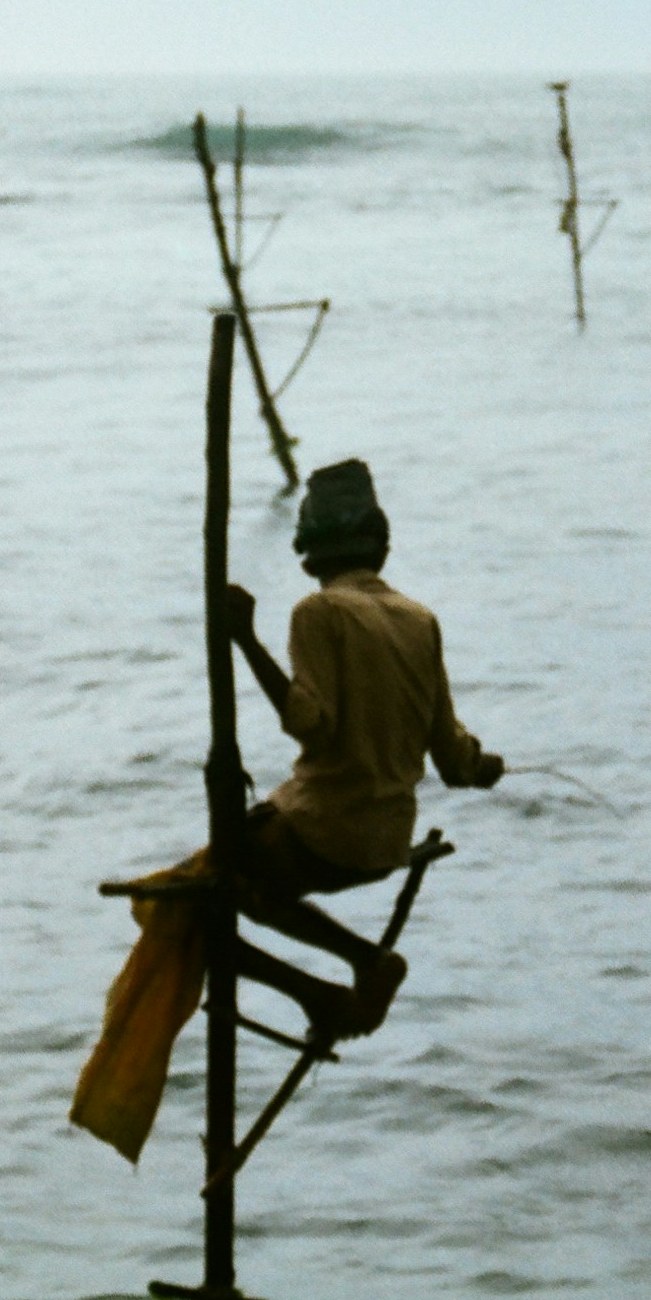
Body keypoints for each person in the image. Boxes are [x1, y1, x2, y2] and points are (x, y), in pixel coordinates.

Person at [70, 461, 501, 1160]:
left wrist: (243, 637)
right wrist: (484, 765)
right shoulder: (420, 620)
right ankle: (346, 976)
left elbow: (311, 725)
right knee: (222, 884)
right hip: (384, 839)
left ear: (310, 555)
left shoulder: (318, 612)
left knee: (189, 906)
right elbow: (453, 761)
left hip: (322, 830)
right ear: (381, 548)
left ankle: (332, 983)